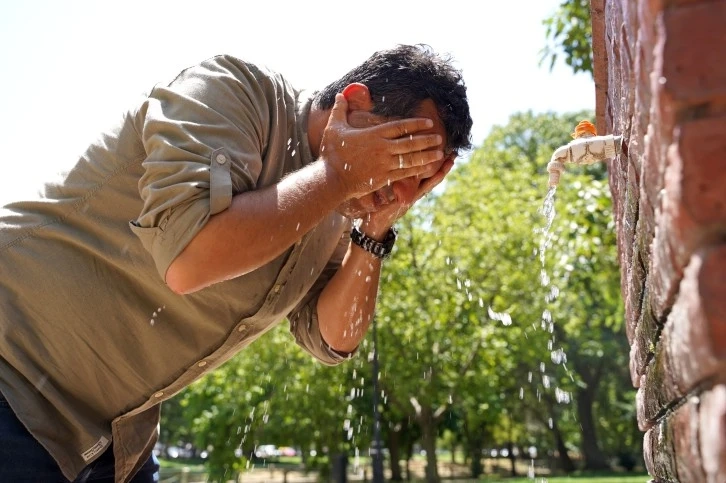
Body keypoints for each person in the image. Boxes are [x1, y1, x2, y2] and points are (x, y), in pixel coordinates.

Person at [0, 44, 473, 482]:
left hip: (114, 435)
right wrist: (335, 177)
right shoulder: (230, 90)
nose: (398, 188)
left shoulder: (337, 203)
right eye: (397, 159)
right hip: (15, 369)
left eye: (417, 179)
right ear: (353, 103)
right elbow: (190, 256)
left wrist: (376, 228)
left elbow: (329, 339)